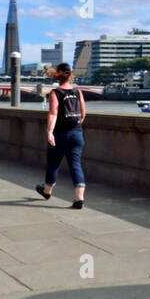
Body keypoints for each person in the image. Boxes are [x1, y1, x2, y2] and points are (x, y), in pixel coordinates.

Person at [35, 62, 86, 209]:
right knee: (76, 165)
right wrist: (75, 126)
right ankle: (79, 199)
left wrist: (50, 132)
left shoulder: (55, 93)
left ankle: (47, 191)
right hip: (77, 133)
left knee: (53, 164)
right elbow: (83, 114)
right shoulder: (78, 92)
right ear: (70, 75)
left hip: (60, 134)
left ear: (58, 75)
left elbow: (53, 113)